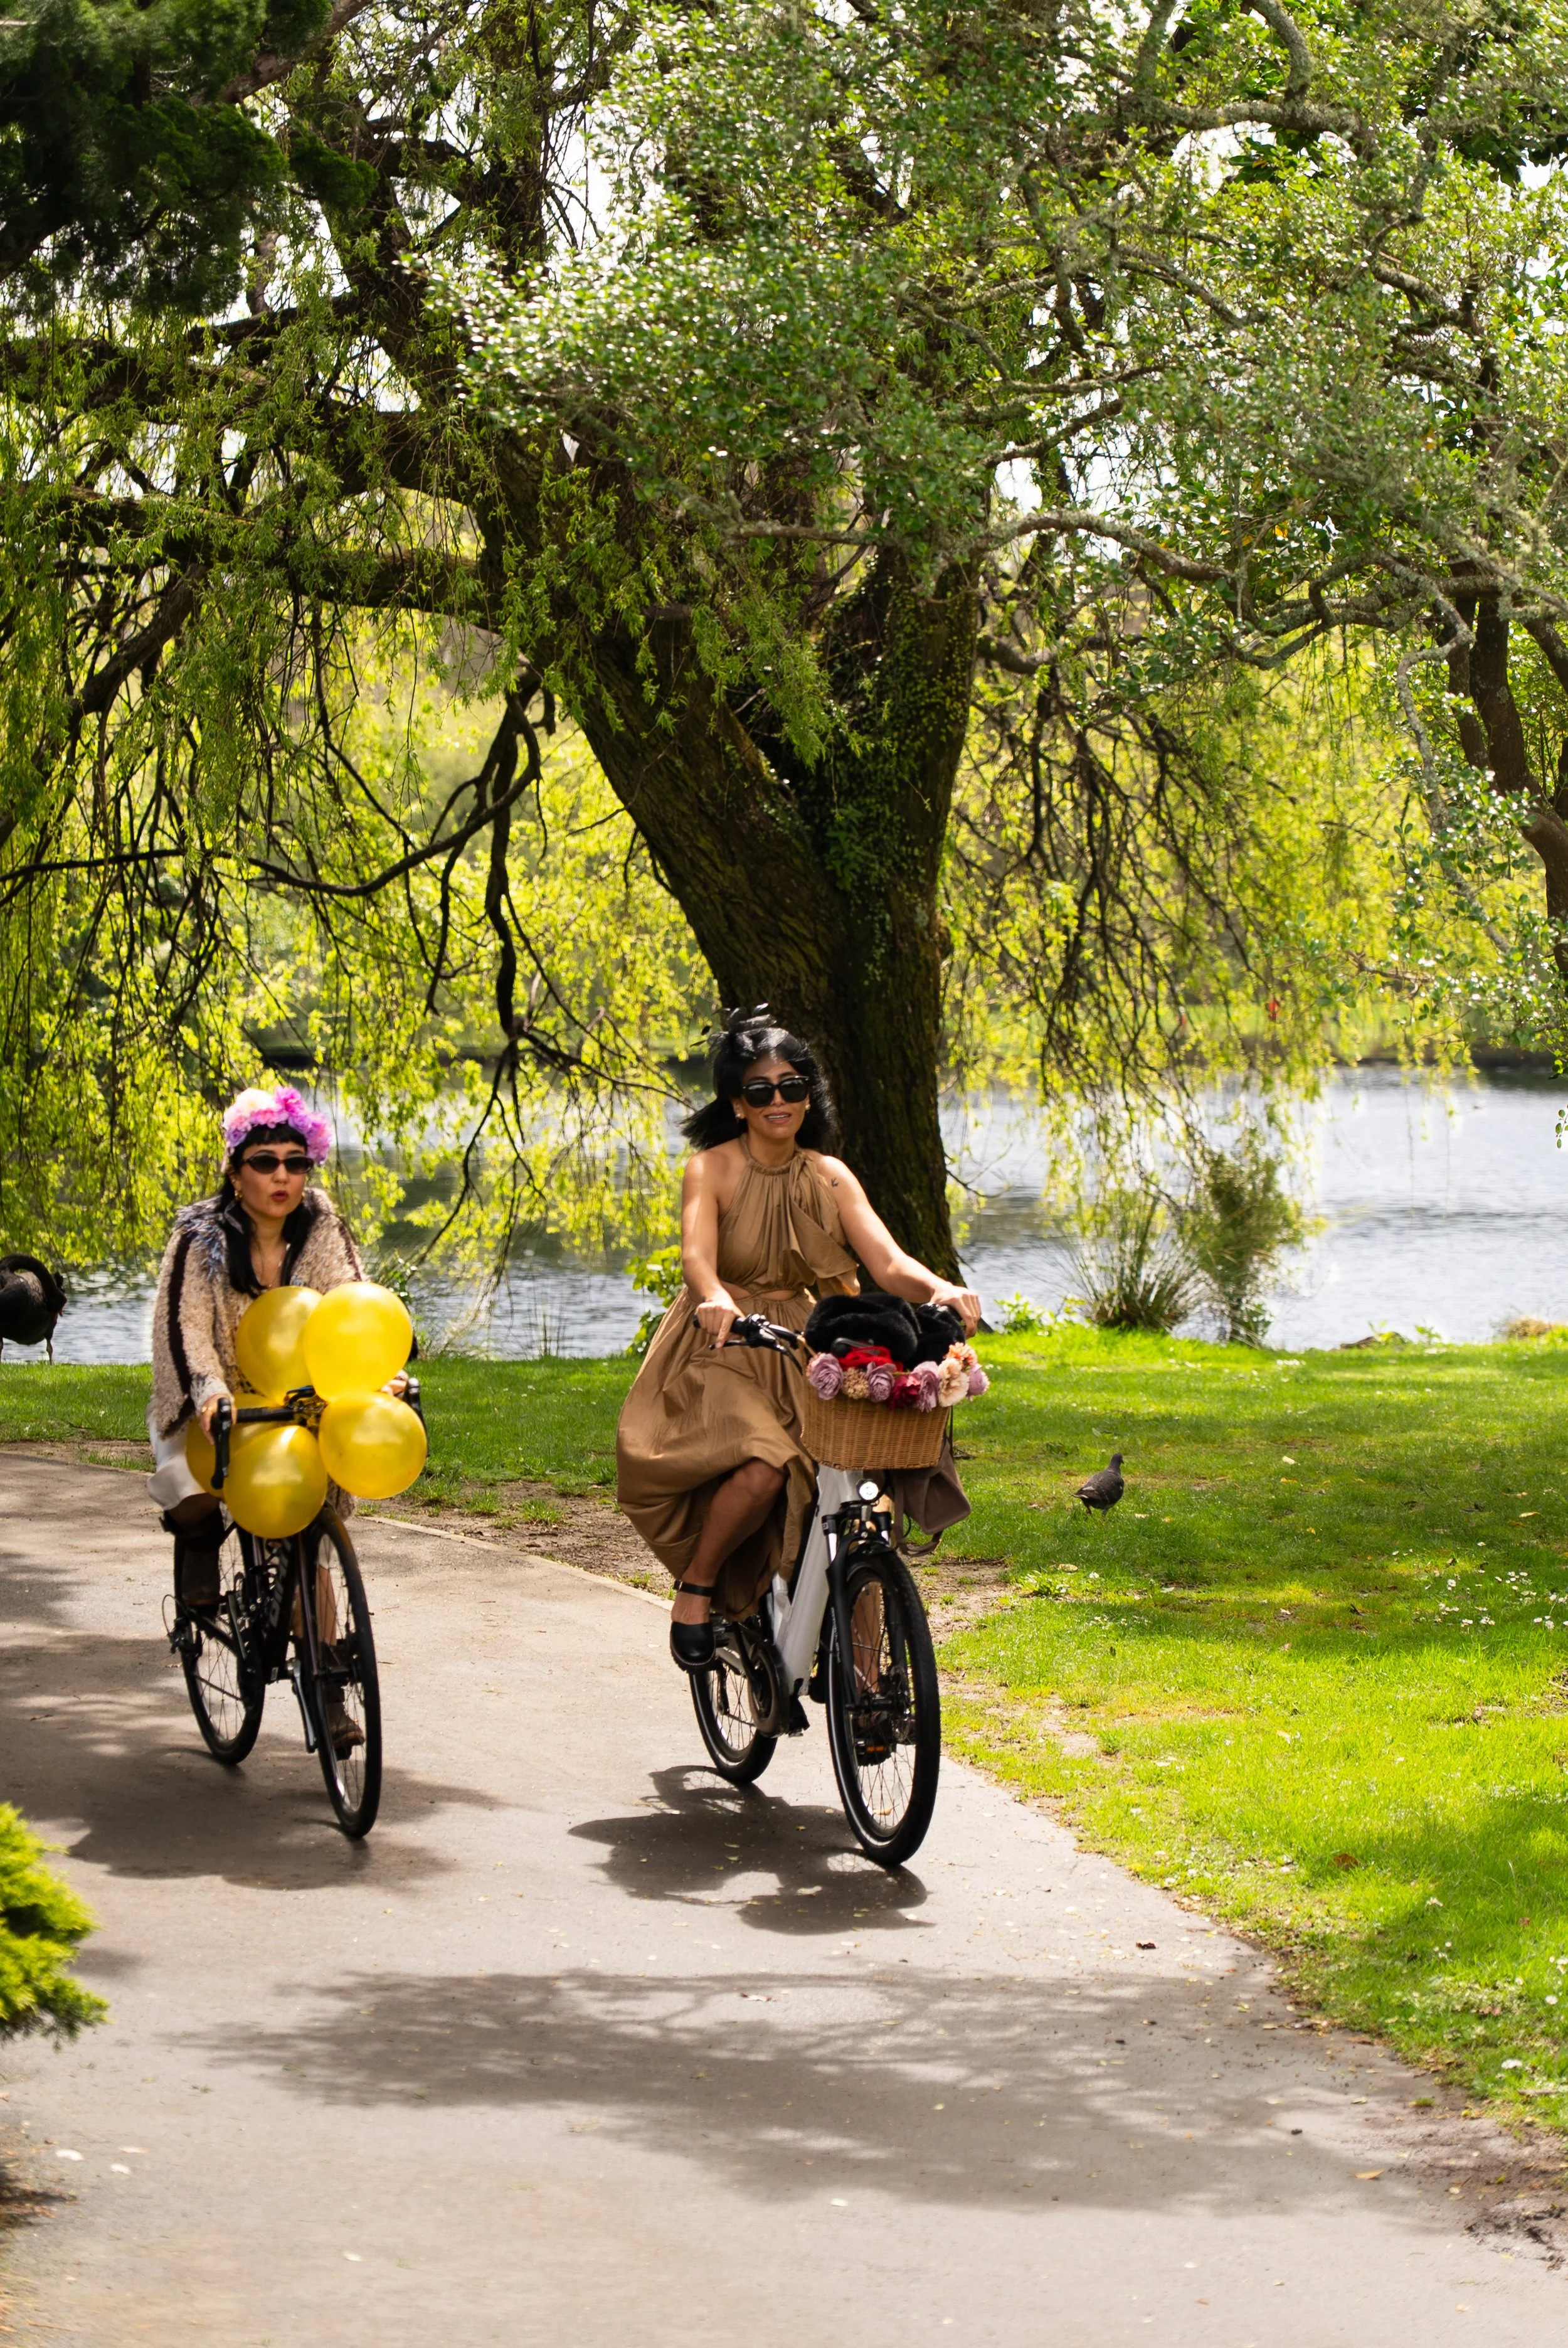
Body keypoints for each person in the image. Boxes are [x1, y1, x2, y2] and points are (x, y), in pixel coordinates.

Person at [616, 1007, 981, 1669]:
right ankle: (696, 1589)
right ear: (737, 1102)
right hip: (723, 1338)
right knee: (764, 1465)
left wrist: (939, 1290)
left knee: (856, 1499)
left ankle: (869, 1683)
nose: (777, 1099)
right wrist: (718, 1296)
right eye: (760, 1090)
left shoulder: (830, 1174)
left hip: (810, 1340)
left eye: (791, 1086)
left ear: (808, 1096)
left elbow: (888, 1261)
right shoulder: (712, 1167)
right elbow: (697, 1256)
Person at [147, 1085, 363, 1615]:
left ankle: (329, 1670)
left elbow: (352, 1308)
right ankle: (198, 1546)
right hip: (217, 1407)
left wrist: (375, 1377)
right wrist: (208, 1391)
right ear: (236, 1172)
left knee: (308, 1547)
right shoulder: (200, 1237)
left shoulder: (322, 1227)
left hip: (295, 1405)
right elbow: (184, 1330)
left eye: (297, 1162)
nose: (282, 1176)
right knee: (191, 1486)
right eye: (265, 1162)